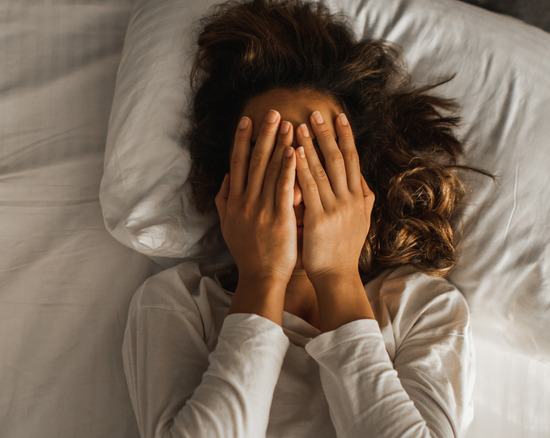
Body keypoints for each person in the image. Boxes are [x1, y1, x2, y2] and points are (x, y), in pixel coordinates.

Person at [122, 0, 490, 436]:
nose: (295, 190)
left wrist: (336, 276)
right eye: (267, 161)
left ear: (361, 188)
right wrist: (261, 279)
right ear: (226, 190)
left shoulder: (422, 308)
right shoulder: (178, 305)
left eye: (320, 161)